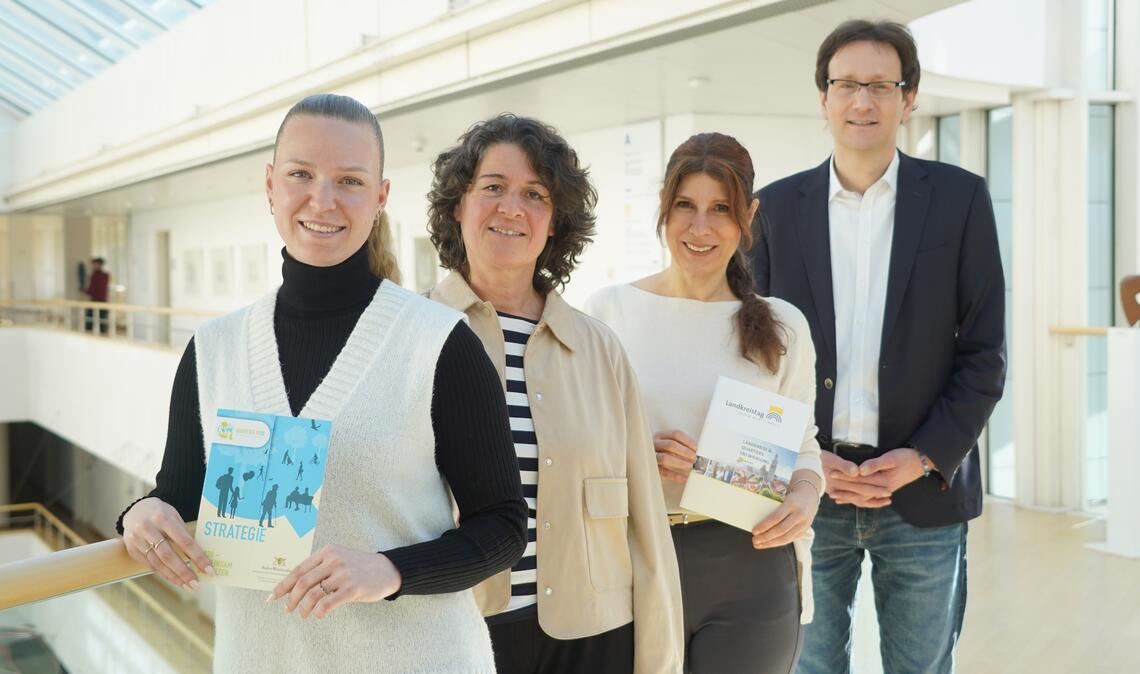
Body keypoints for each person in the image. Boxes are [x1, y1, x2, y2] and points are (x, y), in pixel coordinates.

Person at [117, 93, 527, 673]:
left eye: (350, 181)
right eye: (301, 174)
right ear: (270, 185)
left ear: (380, 197)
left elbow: (505, 525)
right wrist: (138, 514)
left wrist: (391, 571)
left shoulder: (437, 343)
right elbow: (178, 496)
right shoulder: (214, 350)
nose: (323, 199)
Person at [751, 20, 1006, 674]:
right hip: (811, 494)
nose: (861, 101)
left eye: (879, 86)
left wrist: (924, 456)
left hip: (922, 496)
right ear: (824, 98)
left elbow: (984, 355)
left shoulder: (959, 201)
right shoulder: (773, 210)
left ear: (909, 97)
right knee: (806, 666)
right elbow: (751, 358)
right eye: (845, 85)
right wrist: (805, 459)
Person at [427, 113, 683, 674]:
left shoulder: (600, 350)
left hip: (594, 640)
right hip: (454, 634)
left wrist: (660, 658)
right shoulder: (409, 335)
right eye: (492, 187)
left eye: (534, 194)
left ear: (554, 223)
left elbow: (645, 519)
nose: (511, 208)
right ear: (458, 205)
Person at [586, 132, 825, 674]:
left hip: (754, 566)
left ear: (749, 216)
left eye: (721, 209)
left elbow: (803, 448)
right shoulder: (608, 314)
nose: (700, 228)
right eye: (685, 207)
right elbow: (578, 445)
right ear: (663, 212)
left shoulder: (783, 324)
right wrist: (631, 459)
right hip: (637, 559)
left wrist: (806, 498)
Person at [83, 257, 110, 334]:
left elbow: (95, 290)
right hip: (94, 301)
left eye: (94, 264)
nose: (92, 266)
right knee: (89, 323)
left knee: (101, 325)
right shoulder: (94, 275)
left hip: (100, 302)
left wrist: (84, 290)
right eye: (92, 264)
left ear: (99, 265)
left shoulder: (102, 276)